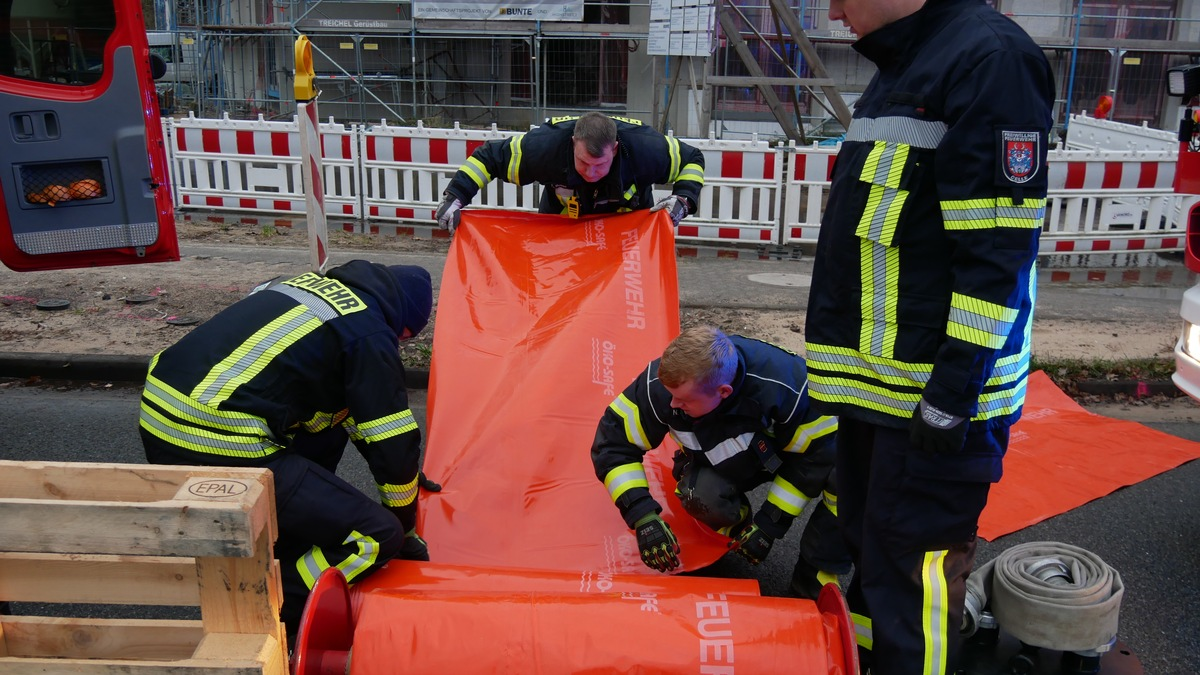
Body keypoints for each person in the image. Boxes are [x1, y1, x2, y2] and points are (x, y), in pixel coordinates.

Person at [803, 1, 1054, 672]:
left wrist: (952, 391)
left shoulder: (988, 61)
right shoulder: (908, 64)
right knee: (873, 559)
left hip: (930, 402)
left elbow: (996, 251)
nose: (833, 10)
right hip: (883, 395)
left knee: (912, 581)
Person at [137, 259, 435, 645]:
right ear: (404, 323)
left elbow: (352, 415)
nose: (402, 344)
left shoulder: (301, 287)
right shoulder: (370, 333)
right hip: (217, 439)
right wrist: (406, 526)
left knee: (328, 428)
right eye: (407, 338)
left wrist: (406, 465)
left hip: (163, 415)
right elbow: (390, 439)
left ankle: (287, 537)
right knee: (375, 536)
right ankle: (271, 609)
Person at [590, 326, 850, 599]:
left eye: (684, 400)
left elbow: (817, 457)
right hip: (721, 461)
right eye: (671, 395)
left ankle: (814, 580)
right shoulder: (659, 390)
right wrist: (642, 515)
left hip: (788, 457)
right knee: (700, 496)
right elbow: (612, 445)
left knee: (848, 477)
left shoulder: (790, 388)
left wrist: (770, 524)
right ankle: (740, 529)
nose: (673, 405)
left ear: (723, 391)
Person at [434, 111, 705, 232]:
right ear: (574, 143)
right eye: (583, 162)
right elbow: (488, 157)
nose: (591, 173)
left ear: (615, 148)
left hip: (627, 230)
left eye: (600, 165)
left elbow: (692, 158)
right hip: (562, 226)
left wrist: (682, 200)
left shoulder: (645, 148)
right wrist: (455, 197)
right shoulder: (544, 147)